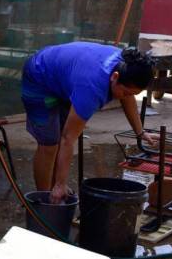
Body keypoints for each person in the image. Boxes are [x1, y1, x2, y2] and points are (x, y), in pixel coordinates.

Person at [21, 43, 156, 202]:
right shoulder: (92, 87)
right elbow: (68, 139)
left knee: (59, 136)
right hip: (39, 75)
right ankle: (44, 200)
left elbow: (128, 97)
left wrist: (140, 132)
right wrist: (61, 184)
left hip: (64, 77)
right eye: (125, 91)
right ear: (115, 77)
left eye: (132, 93)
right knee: (49, 143)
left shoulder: (129, 65)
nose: (124, 96)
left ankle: (54, 188)